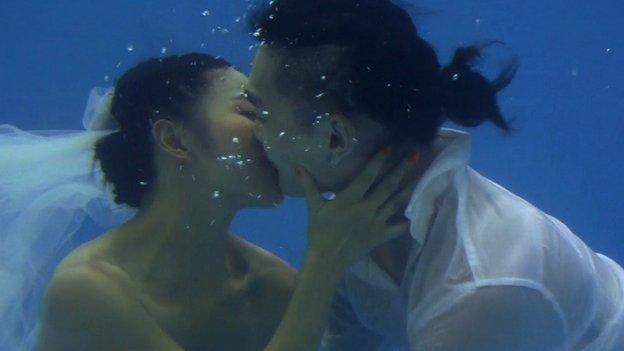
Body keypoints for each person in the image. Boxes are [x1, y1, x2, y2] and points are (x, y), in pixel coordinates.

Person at [245, 0, 624, 350]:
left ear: (335, 137)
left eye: (260, 114)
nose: (250, 132)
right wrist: (323, 262)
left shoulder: (478, 284)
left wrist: (322, 264)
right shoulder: (351, 228)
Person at [0, 53, 416, 350]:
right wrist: (325, 263)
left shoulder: (275, 286)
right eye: (250, 110)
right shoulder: (88, 290)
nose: (274, 131)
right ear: (174, 140)